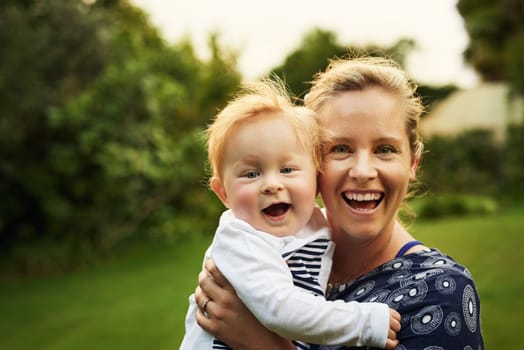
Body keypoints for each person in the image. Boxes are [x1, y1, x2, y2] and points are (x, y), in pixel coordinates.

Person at [194, 57, 485, 349]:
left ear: (413, 162)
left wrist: (261, 343)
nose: (362, 171)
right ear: (313, 162)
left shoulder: (439, 293)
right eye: (340, 149)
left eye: (385, 149)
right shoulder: (275, 242)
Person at [180, 78, 401, 350]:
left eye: (287, 170)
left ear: (315, 178)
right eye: (251, 174)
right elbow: (282, 309)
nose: (273, 184)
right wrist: (363, 323)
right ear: (223, 193)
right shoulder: (241, 239)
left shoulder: (311, 223)